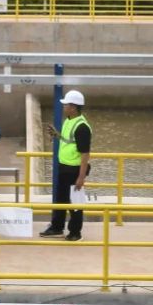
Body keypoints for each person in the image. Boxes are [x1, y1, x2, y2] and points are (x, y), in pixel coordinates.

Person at [40, 90, 91, 241]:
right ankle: (57, 227)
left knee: (75, 203)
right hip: (64, 167)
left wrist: (81, 178)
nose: (63, 107)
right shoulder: (69, 121)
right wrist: (57, 135)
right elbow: (69, 141)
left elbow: (85, 154)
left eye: (66, 105)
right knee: (61, 199)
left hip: (74, 170)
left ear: (73, 107)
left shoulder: (82, 127)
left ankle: (75, 232)